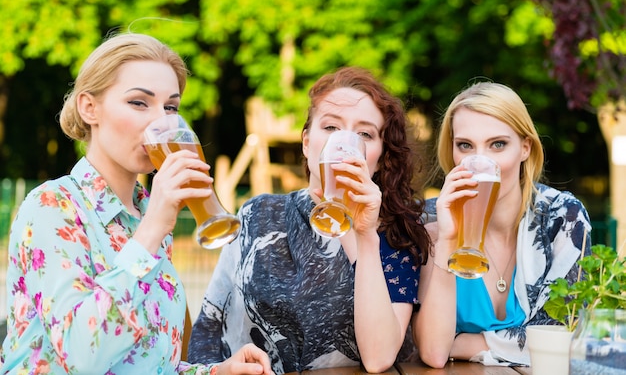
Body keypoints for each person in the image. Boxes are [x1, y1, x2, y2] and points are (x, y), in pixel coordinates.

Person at [0, 32, 273, 375]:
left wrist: (215, 371)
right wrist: (152, 231)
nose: (162, 122)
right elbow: (82, 358)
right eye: (139, 103)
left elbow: (147, 363)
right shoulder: (52, 206)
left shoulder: (144, 214)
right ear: (89, 108)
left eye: (170, 107)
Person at [187, 66, 431, 373]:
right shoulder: (258, 215)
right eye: (330, 128)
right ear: (306, 142)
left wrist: (365, 234)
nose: (344, 143)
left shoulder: (398, 232)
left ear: (380, 158)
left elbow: (379, 358)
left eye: (364, 134)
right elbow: (211, 324)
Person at [412, 82, 592, 368]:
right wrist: (447, 239)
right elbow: (434, 353)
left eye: (498, 144)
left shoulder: (562, 219)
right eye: (465, 146)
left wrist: (462, 343)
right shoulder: (431, 221)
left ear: (525, 148)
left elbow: (567, 338)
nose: (480, 161)